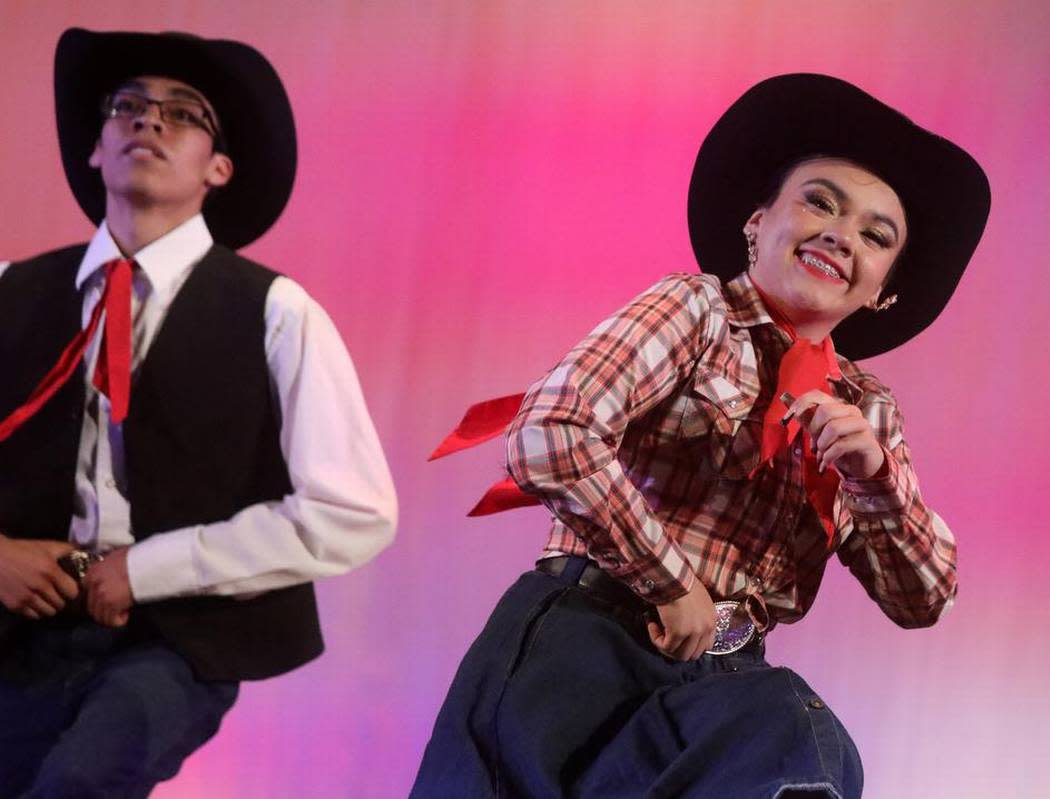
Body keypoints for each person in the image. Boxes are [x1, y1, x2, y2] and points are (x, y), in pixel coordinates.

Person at [413, 73, 990, 797]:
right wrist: (669, 579)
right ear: (757, 221)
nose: (842, 235)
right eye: (820, 201)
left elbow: (925, 598)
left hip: (721, 685)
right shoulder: (696, 311)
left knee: (803, 746)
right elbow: (552, 430)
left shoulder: (867, 410)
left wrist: (876, 476)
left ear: (882, 289)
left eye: (876, 236)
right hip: (590, 638)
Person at [0, 28, 397, 798]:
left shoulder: (277, 313)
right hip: (18, 624)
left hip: (173, 638)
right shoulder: (10, 291)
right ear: (95, 148)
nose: (149, 121)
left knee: (81, 782)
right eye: (128, 107)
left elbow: (354, 509)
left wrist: (145, 569)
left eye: (182, 113)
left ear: (219, 166)